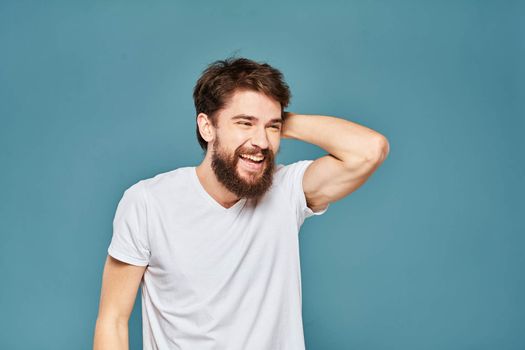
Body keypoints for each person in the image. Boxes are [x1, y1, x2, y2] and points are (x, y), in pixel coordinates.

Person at [93, 57, 389, 350]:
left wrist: (279, 120)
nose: (260, 141)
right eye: (244, 123)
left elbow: (369, 151)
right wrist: (267, 121)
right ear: (207, 127)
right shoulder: (148, 202)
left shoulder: (285, 191)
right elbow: (113, 320)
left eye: (272, 128)